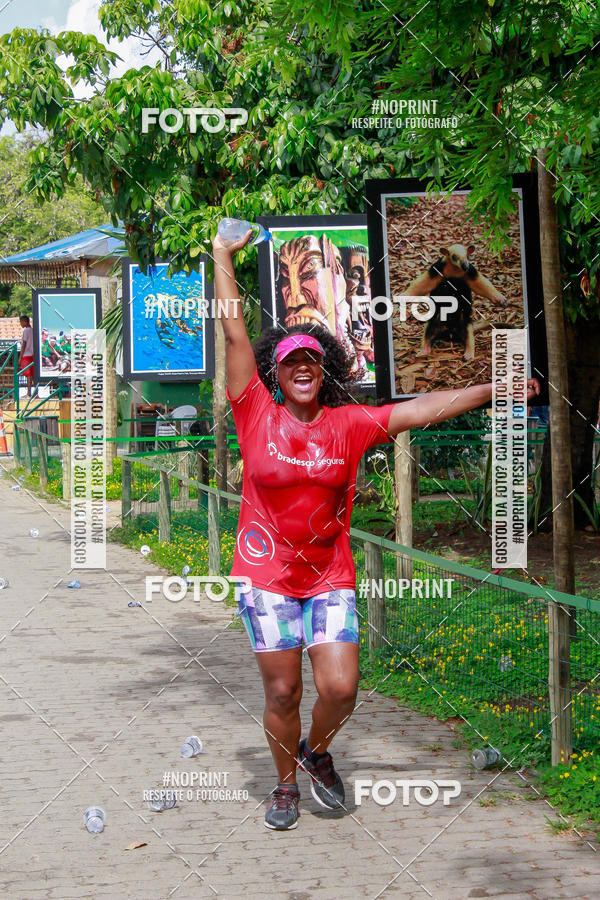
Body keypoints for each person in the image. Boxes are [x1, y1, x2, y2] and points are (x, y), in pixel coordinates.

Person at [213, 228, 541, 832]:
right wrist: (221, 256)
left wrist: (498, 390)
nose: (304, 370)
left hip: (328, 574)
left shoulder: (350, 423)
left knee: (339, 687)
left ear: (326, 369)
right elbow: (235, 331)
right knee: (283, 692)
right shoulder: (253, 410)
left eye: (313, 360)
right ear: (276, 375)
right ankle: (285, 786)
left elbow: (420, 409)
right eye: (292, 364)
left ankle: (315, 753)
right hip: (265, 572)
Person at [18, 315, 35, 397]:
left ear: (25, 322)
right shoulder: (33, 330)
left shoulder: (26, 331)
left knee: (28, 375)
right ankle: (35, 392)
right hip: (33, 354)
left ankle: (29, 393)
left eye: (21, 322)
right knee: (33, 374)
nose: (20, 324)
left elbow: (24, 344)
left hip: (27, 355)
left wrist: (20, 356)